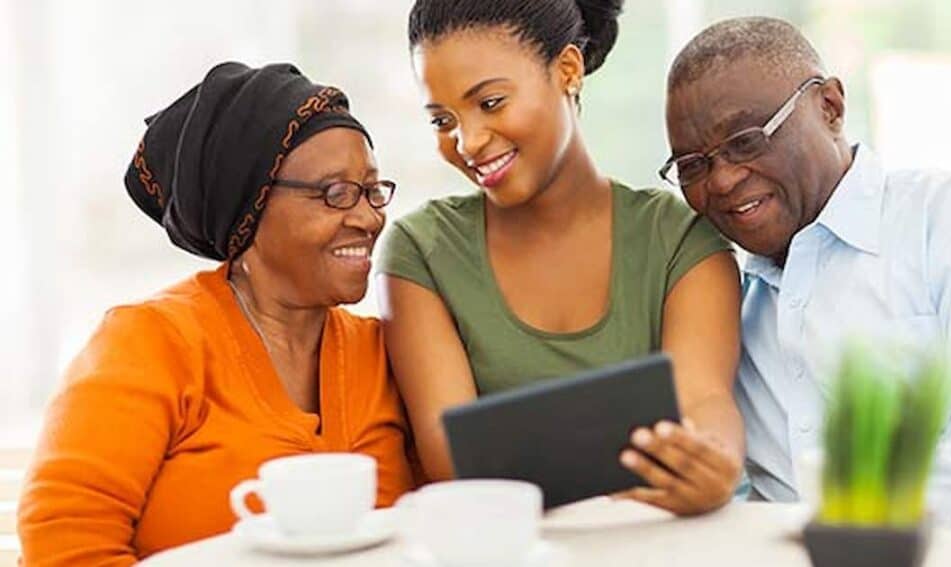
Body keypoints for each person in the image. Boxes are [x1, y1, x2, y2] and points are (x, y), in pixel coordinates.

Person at [662, 16, 951, 564]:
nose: (720, 180)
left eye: (746, 141)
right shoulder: (721, 308)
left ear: (830, 107)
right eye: (693, 165)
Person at [17, 62, 414, 564]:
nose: (368, 217)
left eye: (372, 190)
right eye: (334, 194)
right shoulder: (149, 342)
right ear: (250, 208)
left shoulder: (387, 352)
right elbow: (64, 542)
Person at [376, 0, 744, 515]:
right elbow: (452, 456)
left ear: (567, 70)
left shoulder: (680, 241)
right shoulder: (423, 251)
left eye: (490, 102)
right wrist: (638, 455)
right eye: (442, 119)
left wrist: (712, 463)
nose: (468, 141)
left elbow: (703, 403)